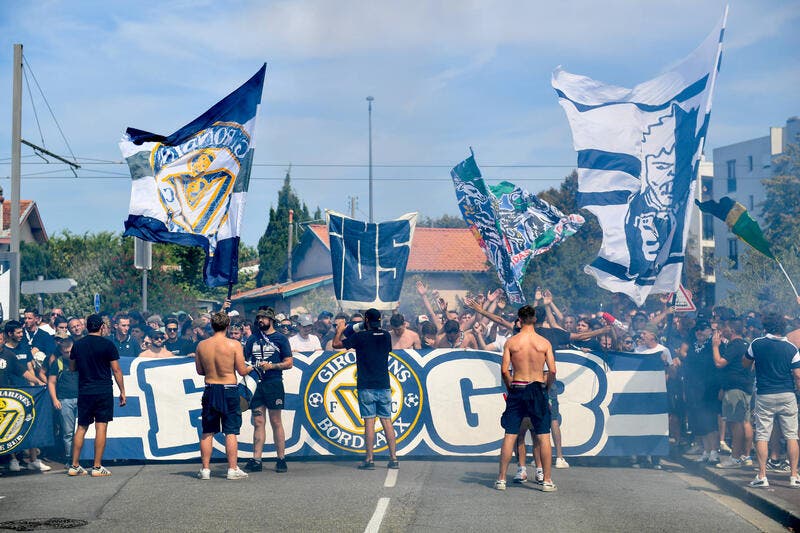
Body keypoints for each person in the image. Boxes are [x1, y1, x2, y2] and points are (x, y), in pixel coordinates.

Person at [495, 305, 557, 492]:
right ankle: (546, 480)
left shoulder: (512, 342)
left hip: (518, 386)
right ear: (535, 319)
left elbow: (505, 370)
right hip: (537, 387)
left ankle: (501, 479)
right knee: (543, 435)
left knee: (510, 434)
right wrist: (546, 387)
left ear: (519, 320)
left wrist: (511, 386)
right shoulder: (544, 342)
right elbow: (552, 370)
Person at [333, 308, 399, 470]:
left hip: (366, 384)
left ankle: (369, 459)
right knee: (387, 421)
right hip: (383, 383)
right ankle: (394, 458)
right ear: (380, 319)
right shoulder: (386, 335)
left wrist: (341, 330)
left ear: (365, 320)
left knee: (369, 421)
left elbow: (336, 344)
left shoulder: (360, 336)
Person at [195, 311, 257, 480]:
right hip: (229, 389)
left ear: (211, 325)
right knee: (230, 431)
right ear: (228, 327)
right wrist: (252, 368)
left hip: (210, 387)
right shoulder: (234, 345)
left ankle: (205, 469)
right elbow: (242, 370)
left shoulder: (202, 345)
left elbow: (200, 371)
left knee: (208, 431)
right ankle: (232, 469)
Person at [744, 311, 800, 488]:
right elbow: (798, 375)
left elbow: (745, 363)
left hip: (765, 394)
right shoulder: (792, 348)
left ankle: (762, 475)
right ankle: (794, 476)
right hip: (787, 394)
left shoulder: (757, 344)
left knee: (762, 435)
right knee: (791, 435)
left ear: (765, 326)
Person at [68, 314, 126, 477]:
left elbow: (72, 368)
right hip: (103, 390)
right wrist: (122, 391)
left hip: (85, 390)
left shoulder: (78, 345)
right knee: (101, 426)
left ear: (87, 327)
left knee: (81, 427)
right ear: (101, 327)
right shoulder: (108, 345)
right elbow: (116, 370)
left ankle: (74, 465)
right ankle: (97, 466)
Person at [243, 308, 293, 473]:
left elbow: (289, 362)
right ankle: (257, 459)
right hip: (256, 384)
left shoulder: (280, 338)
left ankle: (281, 459)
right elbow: (244, 359)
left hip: (274, 382)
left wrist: (272, 366)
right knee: (258, 421)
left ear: (270, 319)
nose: (260, 321)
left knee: (276, 421)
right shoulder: (252, 338)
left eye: (263, 318)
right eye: (258, 318)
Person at [713, 320, 754, 469]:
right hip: (746, 387)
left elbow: (719, 363)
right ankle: (746, 456)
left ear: (731, 330)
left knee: (734, 422)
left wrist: (715, 346)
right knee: (745, 421)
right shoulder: (747, 344)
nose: (722, 330)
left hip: (735, 389)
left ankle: (735, 458)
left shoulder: (734, 345)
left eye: (724, 327)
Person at [47, 334, 79, 466]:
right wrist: (55, 399)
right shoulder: (57, 363)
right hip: (64, 401)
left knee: (82, 430)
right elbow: (51, 382)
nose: (69, 353)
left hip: (82, 399)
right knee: (68, 432)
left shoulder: (81, 361)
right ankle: (69, 458)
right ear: (61, 351)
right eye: (66, 351)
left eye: (71, 350)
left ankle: (82, 457)